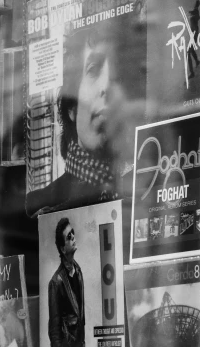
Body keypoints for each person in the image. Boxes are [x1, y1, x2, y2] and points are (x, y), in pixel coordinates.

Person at [26, 24, 125, 216]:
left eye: (116, 73)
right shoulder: (37, 208)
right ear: (72, 107)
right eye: (94, 70)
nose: (106, 86)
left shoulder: (143, 190)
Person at [48, 217, 94, 347]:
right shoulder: (56, 283)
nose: (74, 238)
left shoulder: (79, 273)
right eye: (69, 237)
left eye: (73, 233)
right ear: (61, 247)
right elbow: (55, 331)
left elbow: (81, 319)